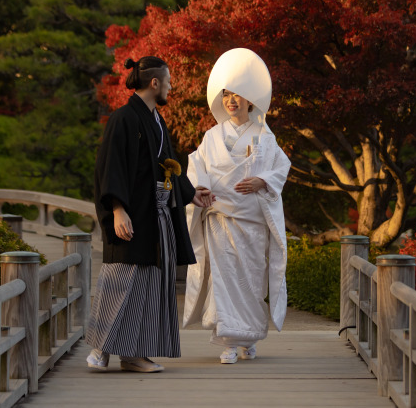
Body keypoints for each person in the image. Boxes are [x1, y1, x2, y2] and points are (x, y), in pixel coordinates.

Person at [87, 56, 212, 373]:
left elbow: (168, 164)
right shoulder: (124, 118)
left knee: (149, 286)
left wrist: (189, 193)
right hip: (131, 213)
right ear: (155, 83)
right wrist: (117, 208)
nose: (170, 87)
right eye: (168, 82)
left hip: (156, 216)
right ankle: (100, 348)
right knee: (121, 279)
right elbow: (110, 166)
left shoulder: (156, 120)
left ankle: (133, 354)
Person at [183, 48, 291, 364]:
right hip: (220, 220)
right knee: (224, 279)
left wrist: (263, 182)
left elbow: (280, 167)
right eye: (226, 95)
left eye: (238, 95)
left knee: (251, 280)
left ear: (250, 101)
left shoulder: (263, 136)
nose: (231, 100)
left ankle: (249, 338)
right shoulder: (211, 137)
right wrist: (199, 189)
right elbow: (196, 170)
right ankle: (229, 341)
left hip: (252, 222)